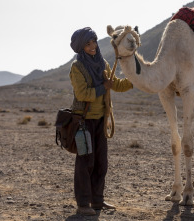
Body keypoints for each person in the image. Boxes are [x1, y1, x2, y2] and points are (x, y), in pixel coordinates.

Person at [69, 27, 133, 216]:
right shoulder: (77, 67)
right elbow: (83, 93)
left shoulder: (103, 63)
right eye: (88, 44)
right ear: (81, 47)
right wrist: (102, 88)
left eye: (94, 42)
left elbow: (116, 84)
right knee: (85, 163)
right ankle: (82, 204)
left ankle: (97, 201)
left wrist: (135, 79)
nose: (92, 46)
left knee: (101, 162)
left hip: (101, 120)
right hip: (83, 121)